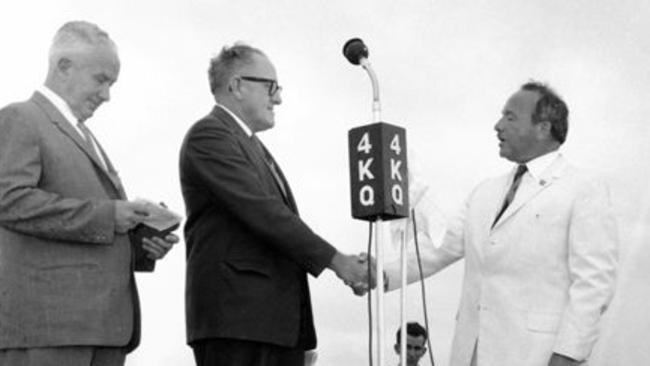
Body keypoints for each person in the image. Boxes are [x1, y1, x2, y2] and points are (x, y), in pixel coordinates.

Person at [383, 82, 618, 366]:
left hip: (535, 355)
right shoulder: (485, 192)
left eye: (510, 117)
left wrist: (568, 355)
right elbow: (439, 246)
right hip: (471, 354)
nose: (497, 125)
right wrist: (378, 273)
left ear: (543, 128)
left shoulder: (583, 188)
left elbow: (594, 283)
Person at [179, 43, 371, 366]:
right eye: (271, 87)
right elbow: (264, 213)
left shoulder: (253, 147)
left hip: (274, 330)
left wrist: (298, 335)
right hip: (238, 327)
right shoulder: (209, 136)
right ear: (237, 86)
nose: (278, 98)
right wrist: (337, 261)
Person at [0, 21, 178, 366]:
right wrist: (108, 215)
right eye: (101, 79)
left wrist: (142, 244)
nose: (107, 95)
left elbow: (96, 225)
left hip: (104, 330)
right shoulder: (21, 117)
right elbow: (9, 200)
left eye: (111, 83)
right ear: (63, 66)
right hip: (49, 332)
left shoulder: (85, 136)